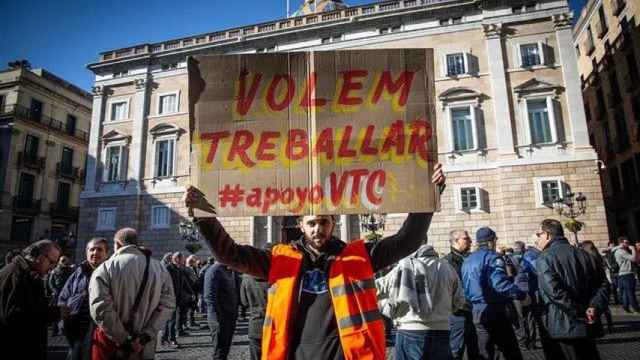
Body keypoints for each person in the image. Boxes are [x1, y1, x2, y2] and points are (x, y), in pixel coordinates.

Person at [184, 163, 445, 359]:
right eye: (311, 223)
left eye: (323, 222)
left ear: (333, 223)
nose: (317, 229)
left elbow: (407, 241)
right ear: (301, 225)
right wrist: (204, 218)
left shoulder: (358, 256)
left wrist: (428, 198)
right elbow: (229, 253)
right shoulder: (278, 258)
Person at [89, 228, 176, 360]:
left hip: (115, 347)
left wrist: (124, 340)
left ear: (117, 244)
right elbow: (168, 305)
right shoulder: (160, 269)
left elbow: (100, 307)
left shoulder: (105, 268)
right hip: (144, 348)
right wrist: (145, 336)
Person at [535, 219, 609, 360]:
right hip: (588, 322)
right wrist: (594, 307)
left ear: (548, 235)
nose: (538, 238)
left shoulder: (545, 258)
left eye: (539, 234)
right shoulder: (585, 254)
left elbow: (555, 292)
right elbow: (603, 284)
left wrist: (580, 312)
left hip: (565, 324)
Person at [376, 243, 465, 360]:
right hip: (442, 330)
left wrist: (383, 305)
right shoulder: (448, 268)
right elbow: (459, 300)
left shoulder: (405, 266)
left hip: (410, 330)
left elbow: (377, 287)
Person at [461, 227, 530, 360]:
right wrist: (521, 295)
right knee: (511, 350)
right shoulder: (493, 257)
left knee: (485, 352)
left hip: (476, 309)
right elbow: (500, 285)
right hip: (494, 309)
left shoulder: (468, 260)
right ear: (491, 242)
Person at [0, 240, 66, 359]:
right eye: (51, 262)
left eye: (54, 264)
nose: (51, 268)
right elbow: (15, 317)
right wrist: (54, 312)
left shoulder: (29, 274)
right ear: (36, 254)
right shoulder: (16, 275)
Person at [58, 237, 109, 360]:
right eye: (92, 249)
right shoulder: (78, 273)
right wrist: (64, 321)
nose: (95, 253)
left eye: (99, 249)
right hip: (76, 332)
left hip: (100, 333)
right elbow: (63, 297)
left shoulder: (111, 274)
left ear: (107, 254)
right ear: (87, 252)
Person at [443, 229, 479, 360]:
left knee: (475, 347)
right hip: (458, 312)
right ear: (455, 241)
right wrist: (460, 304)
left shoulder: (471, 258)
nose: (470, 241)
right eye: (466, 238)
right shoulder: (447, 262)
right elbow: (447, 289)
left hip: (474, 310)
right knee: (456, 349)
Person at [204, 261, 240, 360]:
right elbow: (209, 297)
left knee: (225, 349)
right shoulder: (214, 271)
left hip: (230, 316)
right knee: (219, 351)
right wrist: (217, 319)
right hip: (220, 318)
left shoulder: (229, 271)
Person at [580, 241, 613, 333]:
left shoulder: (587, 260)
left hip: (591, 295)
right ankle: (610, 325)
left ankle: (608, 325)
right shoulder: (596, 257)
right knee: (605, 309)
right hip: (599, 294)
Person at [240, 267, 269, 360]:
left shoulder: (246, 277)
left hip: (255, 323)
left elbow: (244, 302)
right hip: (272, 324)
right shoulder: (273, 275)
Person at [48, 255, 75, 335]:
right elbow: (50, 282)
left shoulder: (70, 270)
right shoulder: (54, 271)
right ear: (59, 261)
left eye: (65, 260)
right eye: (62, 260)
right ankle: (55, 330)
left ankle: (66, 330)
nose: (64, 262)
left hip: (67, 294)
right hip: (57, 294)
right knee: (56, 312)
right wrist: (55, 290)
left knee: (66, 312)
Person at [613, 237, 640, 313]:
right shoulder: (622, 251)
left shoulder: (616, 250)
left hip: (622, 274)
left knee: (626, 292)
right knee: (630, 292)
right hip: (627, 273)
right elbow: (633, 259)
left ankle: (625, 306)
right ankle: (636, 308)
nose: (628, 244)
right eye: (626, 242)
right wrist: (633, 249)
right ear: (621, 243)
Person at [602, 240, 620, 305]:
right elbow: (605, 263)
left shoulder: (616, 252)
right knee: (615, 287)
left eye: (613, 245)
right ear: (609, 246)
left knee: (618, 287)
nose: (613, 246)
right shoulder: (607, 254)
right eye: (611, 245)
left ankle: (619, 299)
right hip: (612, 272)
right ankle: (617, 300)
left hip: (617, 271)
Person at [185, 255, 200, 328]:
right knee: (191, 307)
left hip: (195, 290)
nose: (196, 262)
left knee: (193, 306)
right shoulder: (188, 269)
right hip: (191, 290)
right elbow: (192, 279)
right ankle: (190, 322)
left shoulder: (194, 268)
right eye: (194, 261)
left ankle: (192, 321)